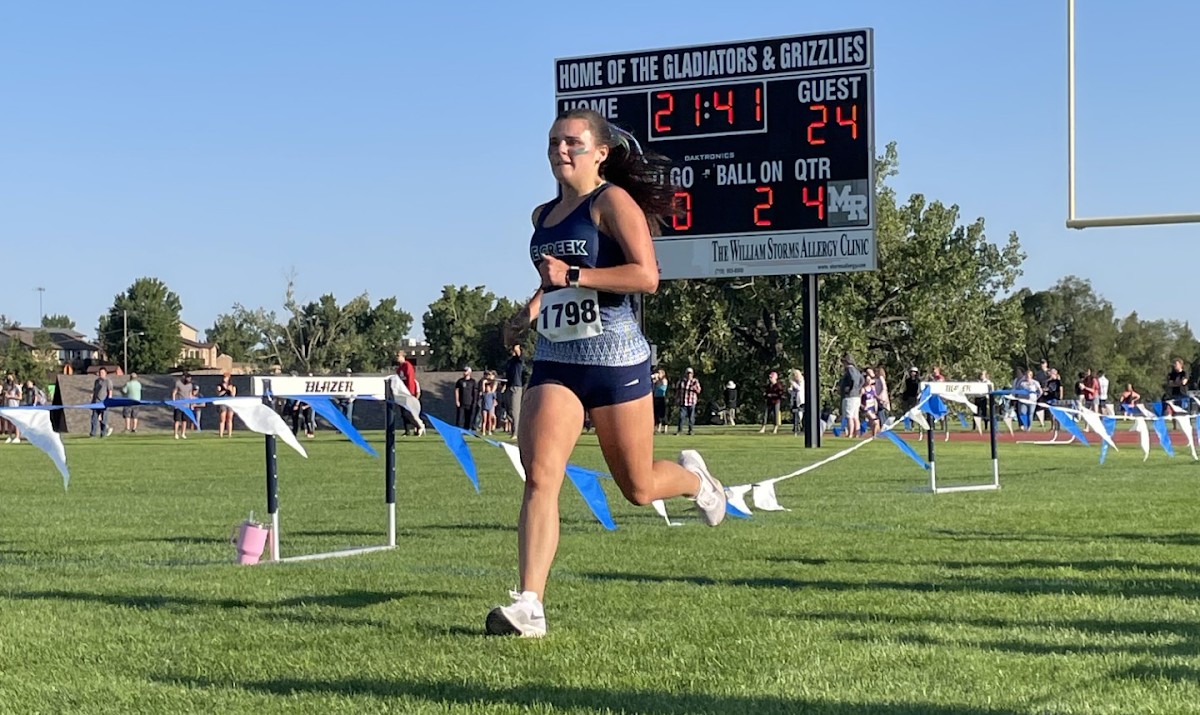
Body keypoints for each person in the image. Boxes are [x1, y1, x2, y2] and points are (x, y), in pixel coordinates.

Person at [487, 108, 727, 638]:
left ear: (600, 152)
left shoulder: (612, 202)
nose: (560, 151)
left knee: (638, 487)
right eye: (553, 142)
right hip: (556, 360)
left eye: (572, 142)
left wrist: (574, 271)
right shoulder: (542, 215)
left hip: (615, 358)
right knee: (540, 477)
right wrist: (524, 317)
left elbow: (647, 277)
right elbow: (554, 287)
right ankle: (530, 605)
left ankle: (694, 480)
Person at [838, 354, 864, 438]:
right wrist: (858, 388)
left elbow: (852, 380)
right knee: (855, 416)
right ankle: (857, 433)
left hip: (850, 396)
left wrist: (850, 389)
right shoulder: (857, 370)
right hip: (856, 396)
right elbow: (862, 380)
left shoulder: (849, 370)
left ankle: (850, 433)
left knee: (849, 416)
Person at [505, 344, 525, 439]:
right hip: (508, 386)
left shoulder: (518, 360)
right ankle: (513, 430)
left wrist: (515, 342)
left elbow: (517, 350)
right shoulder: (509, 362)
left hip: (516, 387)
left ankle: (516, 433)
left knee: (515, 411)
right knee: (508, 410)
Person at [675, 367, 701, 435]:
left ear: (692, 374)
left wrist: (693, 387)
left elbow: (699, 391)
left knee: (691, 418)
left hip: (691, 402)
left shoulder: (695, 381)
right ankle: (680, 431)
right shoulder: (681, 381)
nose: (689, 375)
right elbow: (678, 391)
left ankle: (691, 430)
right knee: (681, 417)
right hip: (683, 402)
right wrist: (677, 399)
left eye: (690, 373)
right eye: (688, 373)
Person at [90, 367, 113, 438]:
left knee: (104, 419)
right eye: (100, 373)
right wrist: (92, 399)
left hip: (104, 402)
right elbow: (94, 391)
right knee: (94, 418)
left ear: (105, 373)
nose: (101, 374)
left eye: (102, 373)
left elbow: (110, 392)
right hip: (96, 403)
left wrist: (109, 401)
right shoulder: (96, 381)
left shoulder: (108, 381)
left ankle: (103, 433)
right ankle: (93, 433)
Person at [171, 372, 192, 439]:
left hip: (186, 405)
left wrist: (191, 403)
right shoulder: (178, 383)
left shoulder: (190, 385)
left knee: (184, 420)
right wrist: (174, 402)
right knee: (177, 420)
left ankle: (183, 433)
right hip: (178, 405)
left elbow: (190, 395)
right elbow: (174, 393)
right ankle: (176, 434)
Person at [216, 372, 237, 437]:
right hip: (223, 402)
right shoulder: (219, 385)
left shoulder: (232, 386)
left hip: (230, 403)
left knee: (229, 419)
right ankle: (221, 434)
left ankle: (229, 434)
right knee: (222, 419)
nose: (224, 378)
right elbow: (218, 394)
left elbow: (233, 395)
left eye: (226, 377)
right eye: (224, 377)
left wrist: (230, 390)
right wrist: (224, 390)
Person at [788, 369, 805, 436]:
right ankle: (795, 427)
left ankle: (803, 427)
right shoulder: (794, 382)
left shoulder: (801, 381)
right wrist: (790, 390)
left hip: (801, 400)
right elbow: (792, 391)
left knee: (801, 414)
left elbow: (799, 389)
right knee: (795, 414)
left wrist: (793, 384)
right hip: (795, 399)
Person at [652, 369, 669, 433]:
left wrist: (658, 378)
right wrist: (655, 379)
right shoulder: (657, 381)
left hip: (662, 398)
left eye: (660, 373)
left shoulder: (664, 380)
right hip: (656, 397)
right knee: (657, 413)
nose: (658, 374)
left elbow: (662, 382)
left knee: (663, 413)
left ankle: (665, 427)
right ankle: (658, 427)